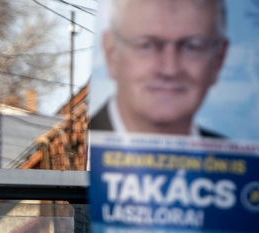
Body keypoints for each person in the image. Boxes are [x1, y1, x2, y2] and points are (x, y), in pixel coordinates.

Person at [90, 0, 228, 136]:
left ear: (219, 59)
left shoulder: (239, 157)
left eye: (192, 46)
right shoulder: (70, 150)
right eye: (146, 45)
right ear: (111, 54)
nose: (170, 70)